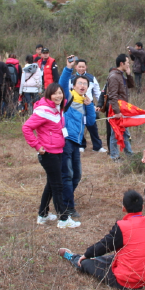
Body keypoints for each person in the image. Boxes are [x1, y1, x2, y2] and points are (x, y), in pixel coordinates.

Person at [58, 190, 145, 290]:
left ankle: (73, 258)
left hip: (126, 281)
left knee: (86, 263)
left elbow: (105, 245)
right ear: (143, 207)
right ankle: (88, 258)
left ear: (124, 208)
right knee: (112, 257)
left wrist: (87, 254)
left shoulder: (122, 226)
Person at [22, 83, 81, 228]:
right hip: (48, 153)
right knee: (57, 185)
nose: (58, 96)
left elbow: (68, 96)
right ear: (48, 95)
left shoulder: (58, 108)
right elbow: (26, 127)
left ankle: (43, 215)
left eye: (60, 93)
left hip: (58, 150)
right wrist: (37, 145)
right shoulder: (43, 111)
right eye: (54, 93)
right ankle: (63, 219)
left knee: (51, 184)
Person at [58, 57, 96, 218]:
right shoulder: (68, 98)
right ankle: (68, 206)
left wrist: (90, 106)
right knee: (68, 175)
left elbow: (92, 122)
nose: (82, 86)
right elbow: (61, 83)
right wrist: (68, 68)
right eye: (79, 83)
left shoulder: (86, 102)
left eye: (85, 84)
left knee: (77, 175)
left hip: (76, 142)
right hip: (65, 140)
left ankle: (63, 198)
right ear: (74, 86)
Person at [73, 59, 106, 152]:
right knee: (78, 124)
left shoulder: (91, 78)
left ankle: (97, 146)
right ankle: (80, 145)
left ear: (86, 67)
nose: (81, 68)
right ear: (76, 67)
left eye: (83, 66)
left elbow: (97, 92)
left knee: (92, 125)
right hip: (76, 105)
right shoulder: (71, 78)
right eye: (79, 66)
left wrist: (100, 104)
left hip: (89, 104)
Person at [107, 54, 135, 160]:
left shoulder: (121, 75)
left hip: (123, 108)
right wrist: (117, 111)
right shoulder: (114, 76)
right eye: (127, 62)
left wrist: (129, 75)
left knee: (125, 132)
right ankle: (114, 156)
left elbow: (131, 85)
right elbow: (112, 96)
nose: (128, 64)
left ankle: (129, 153)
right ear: (121, 63)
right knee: (115, 133)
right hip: (116, 109)